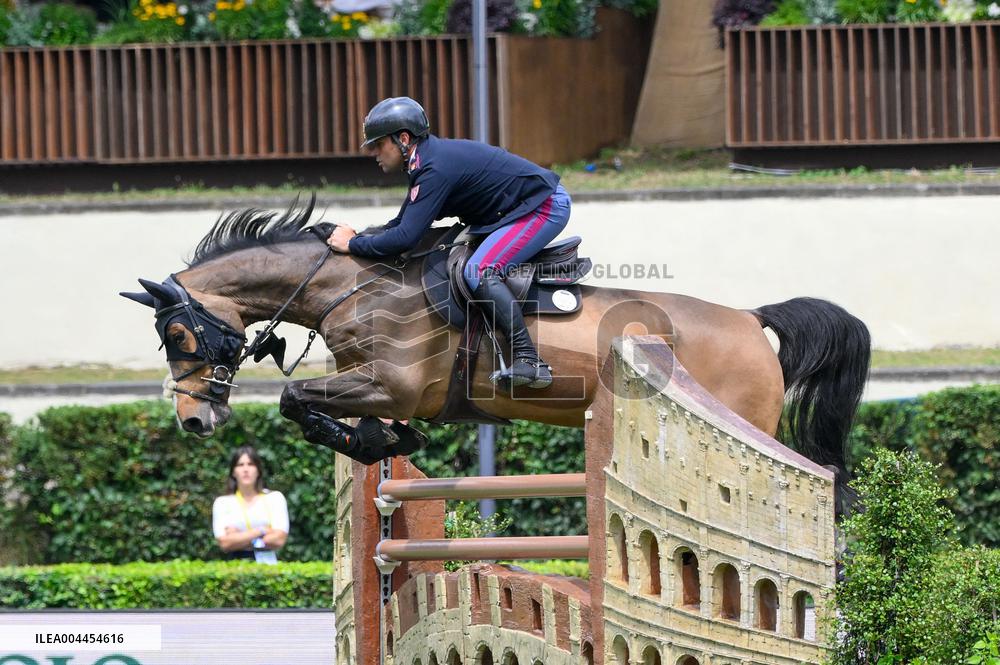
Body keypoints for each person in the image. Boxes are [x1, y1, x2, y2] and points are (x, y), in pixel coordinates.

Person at [326, 96, 572, 390]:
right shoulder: (424, 162)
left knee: (479, 271)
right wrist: (360, 237)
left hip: (543, 206)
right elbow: (402, 224)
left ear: (403, 139)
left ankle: (529, 360)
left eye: (378, 144)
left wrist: (352, 246)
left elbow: (406, 237)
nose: (373, 152)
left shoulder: (433, 168)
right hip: (513, 210)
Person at [212, 446, 289, 564]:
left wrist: (238, 537)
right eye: (240, 465)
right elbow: (225, 543)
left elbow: (279, 540)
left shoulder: (274, 498)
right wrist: (262, 531)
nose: (246, 469)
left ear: (258, 470)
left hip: (268, 565)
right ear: (233, 471)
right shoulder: (222, 503)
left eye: (251, 464)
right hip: (235, 566)